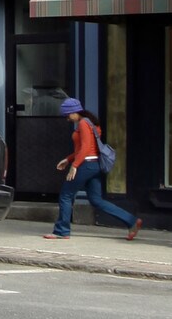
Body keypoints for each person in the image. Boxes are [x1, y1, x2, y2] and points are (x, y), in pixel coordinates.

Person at [43, 96, 141, 241]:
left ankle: (62, 230)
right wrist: (68, 159)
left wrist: (74, 166)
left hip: (86, 165)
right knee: (96, 200)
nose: (67, 118)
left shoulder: (83, 124)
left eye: (67, 115)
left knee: (66, 195)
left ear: (75, 111)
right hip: (94, 165)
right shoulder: (91, 123)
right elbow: (87, 149)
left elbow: (86, 148)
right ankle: (131, 221)